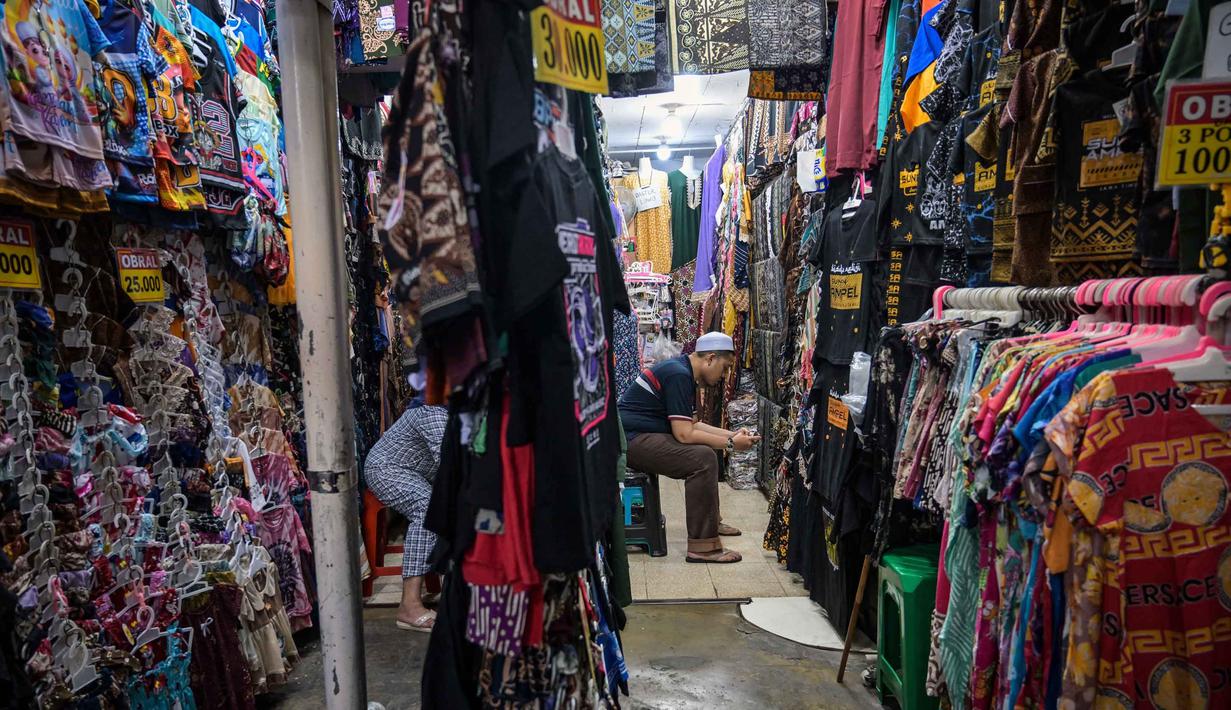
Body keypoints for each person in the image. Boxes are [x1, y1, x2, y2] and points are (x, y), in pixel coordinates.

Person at [617, 332, 760, 563]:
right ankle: (703, 548)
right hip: (630, 440)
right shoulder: (678, 374)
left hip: (639, 435)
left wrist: (732, 435)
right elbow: (685, 435)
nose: (724, 376)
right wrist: (732, 443)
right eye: (724, 368)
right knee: (703, 458)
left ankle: (711, 521)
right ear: (710, 358)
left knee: (706, 449)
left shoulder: (683, 371)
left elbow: (693, 425)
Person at [364, 399, 448, 631]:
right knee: (427, 508)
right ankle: (409, 606)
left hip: (418, 474)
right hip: (386, 470)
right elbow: (451, 466)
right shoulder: (432, 409)